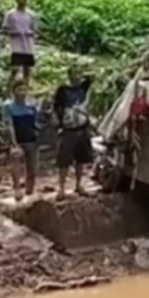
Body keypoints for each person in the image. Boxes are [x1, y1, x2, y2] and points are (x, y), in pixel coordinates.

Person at [54, 66, 94, 200]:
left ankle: (78, 185)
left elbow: (93, 76)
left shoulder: (83, 87)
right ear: (69, 75)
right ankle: (61, 188)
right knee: (64, 160)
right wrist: (59, 124)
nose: (77, 77)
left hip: (82, 128)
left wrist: (85, 73)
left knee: (81, 159)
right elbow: (57, 106)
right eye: (74, 74)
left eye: (79, 74)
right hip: (68, 129)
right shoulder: (63, 90)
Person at [3, 79, 39, 201]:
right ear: (14, 92)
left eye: (24, 89)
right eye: (19, 90)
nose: (22, 92)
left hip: (31, 140)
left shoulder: (32, 106)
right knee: (16, 166)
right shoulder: (9, 107)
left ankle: (30, 192)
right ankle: (17, 189)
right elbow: (10, 125)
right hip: (18, 140)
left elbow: (37, 122)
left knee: (32, 169)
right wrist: (14, 143)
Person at [3, 0, 38, 87]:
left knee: (27, 71)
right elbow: (4, 29)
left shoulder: (31, 14)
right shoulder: (10, 14)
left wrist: (31, 34)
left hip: (28, 47)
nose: (24, 0)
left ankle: (25, 91)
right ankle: (9, 91)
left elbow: (35, 30)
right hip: (16, 46)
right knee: (14, 70)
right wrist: (13, 33)